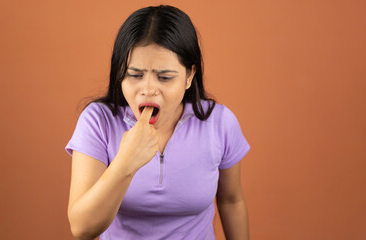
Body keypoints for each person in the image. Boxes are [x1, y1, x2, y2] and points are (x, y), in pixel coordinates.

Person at [65, 5, 251, 240]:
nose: (149, 90)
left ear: (189, 76)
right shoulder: (97, 121)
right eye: (134, 75)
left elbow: (231, 200)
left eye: (164, 77)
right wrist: (125, 164)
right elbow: (82, 228)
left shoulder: (220, 122)